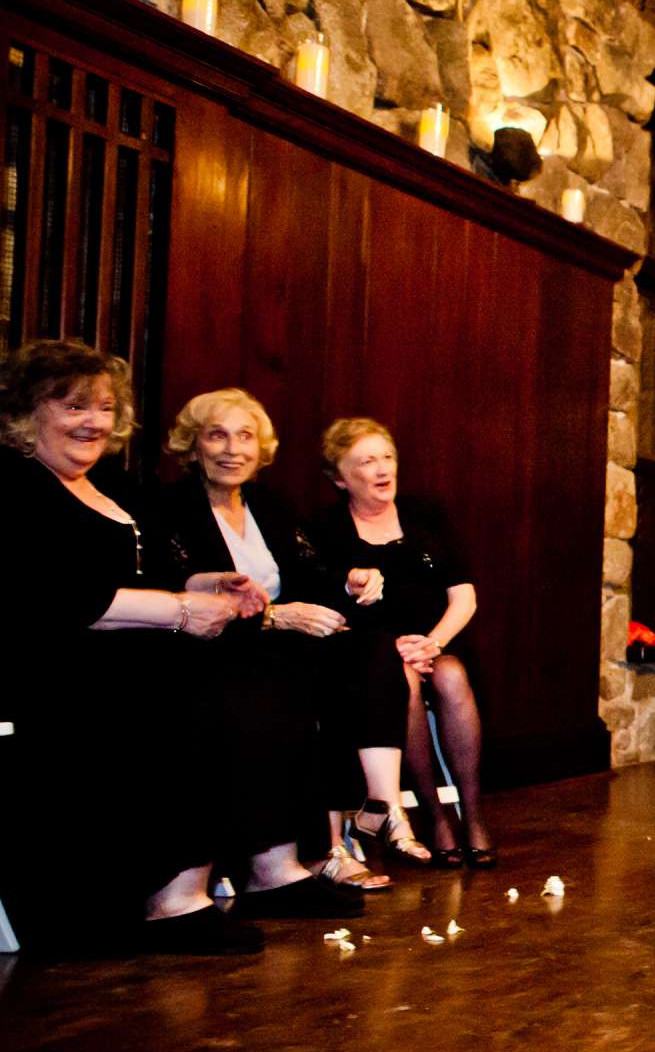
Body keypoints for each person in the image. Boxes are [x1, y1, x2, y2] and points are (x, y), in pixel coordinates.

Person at [0, 341, 299, 955]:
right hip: (50, 661)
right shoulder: (13, 483)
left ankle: (235, 873)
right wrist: (182, 612)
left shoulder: (110, 482)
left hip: (122, 649)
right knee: (195, 676)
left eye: (105, 408)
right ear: (28, 413)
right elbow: (57, 598)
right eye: (73, 405)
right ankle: (171, 896)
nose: (94, 422)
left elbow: (150, 572)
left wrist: (208, 583)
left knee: (261, 671)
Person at [150, 388, 413, 890]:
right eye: (217, 435)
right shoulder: (171, 506)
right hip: (217, 645)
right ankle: (319, 849)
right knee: (302, 680)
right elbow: (176, 588)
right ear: (193, 445)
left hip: (281, 639)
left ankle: (382, 807)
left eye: (245, 437)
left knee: (371, 649)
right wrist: (275, 617)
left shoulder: (267, 504)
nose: (232, 450)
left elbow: (308, 572)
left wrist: (348, 580)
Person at [316, 418, 497, 867]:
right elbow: (328, 600)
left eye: (387, 458)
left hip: (438, 642)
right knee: (403, 683)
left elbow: (464, 595)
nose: (382, 469)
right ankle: (432, 816)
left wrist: (433, 643)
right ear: (340, 478)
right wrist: (395, 649)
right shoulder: (327, 528)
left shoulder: (426, 514)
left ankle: (472, 815)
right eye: (366, 461)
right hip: (375, 653)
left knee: (453, 677)